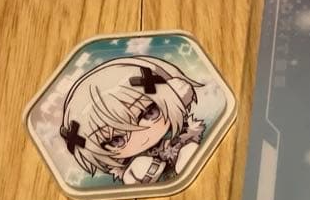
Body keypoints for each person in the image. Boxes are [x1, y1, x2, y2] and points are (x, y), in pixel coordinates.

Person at [59, 56, 204, 185]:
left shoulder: (179, 133)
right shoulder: (129, 165)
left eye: (149, 113)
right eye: (115, 140)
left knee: (189, 153)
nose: (140, 135)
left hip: (182, 157)